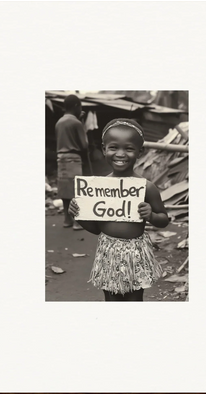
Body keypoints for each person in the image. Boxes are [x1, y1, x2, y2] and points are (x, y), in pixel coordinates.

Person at [68, 118, 169, 301]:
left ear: (140, 152)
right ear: (104, 149)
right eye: (114, 147)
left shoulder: (146, 187)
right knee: (111, 299)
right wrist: (78, 215)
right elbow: (97, 228)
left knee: (134, 298)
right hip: (108, 252)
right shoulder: (97, 188)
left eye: (129, 149)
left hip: (135, 254)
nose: (120, 154)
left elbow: (164, 219)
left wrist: (152, 215)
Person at [55, 94, 88, 230]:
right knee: (77, 190)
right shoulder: (76, 123)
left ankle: (67, 220)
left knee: (65, 189)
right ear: (76, 106)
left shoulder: (59, 122)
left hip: (61, 158)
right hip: (74, 158)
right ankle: (77, 221)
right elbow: (84, 145)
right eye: (80, 106)